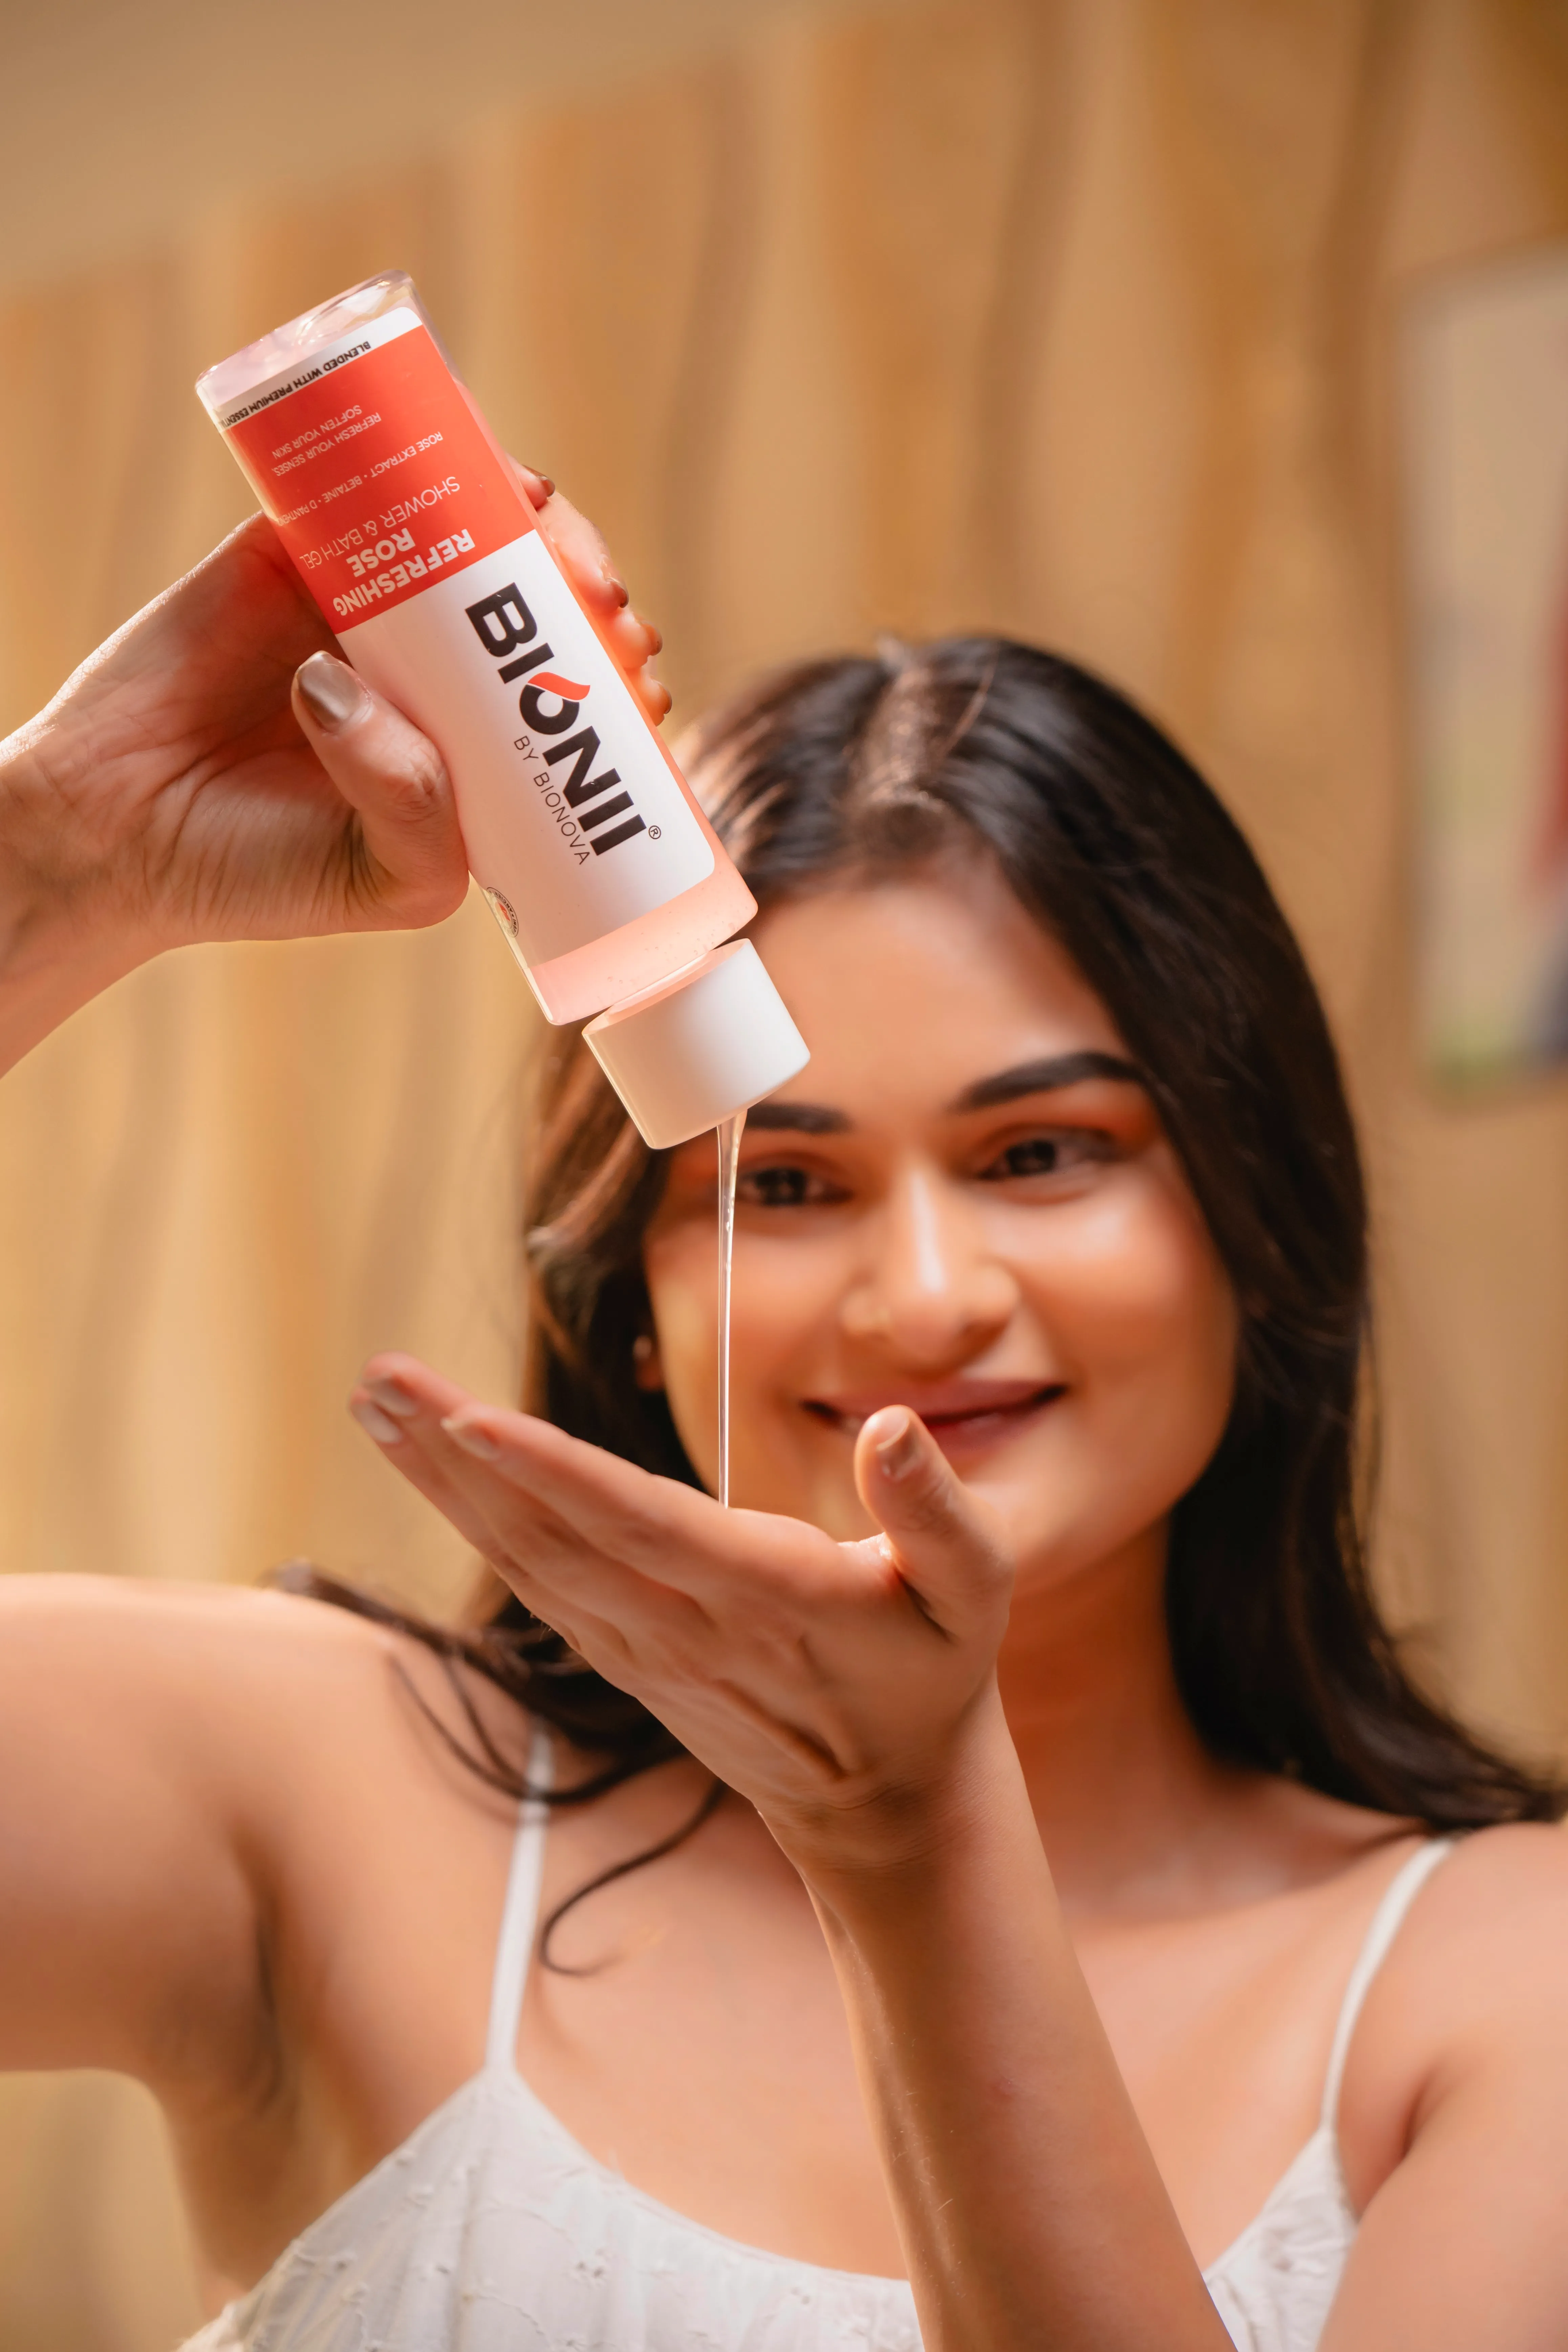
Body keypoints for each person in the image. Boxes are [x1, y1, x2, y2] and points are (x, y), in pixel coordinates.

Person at [1, 482, 1567, 2352]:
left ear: (1251, 1218)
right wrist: (52, 870)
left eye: (1044, 1154)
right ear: (639, 1314)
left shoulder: (1506, 1975)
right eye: (789, 1188)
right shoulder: (317, 1791)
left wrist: (915, 1848)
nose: (922, 1300)